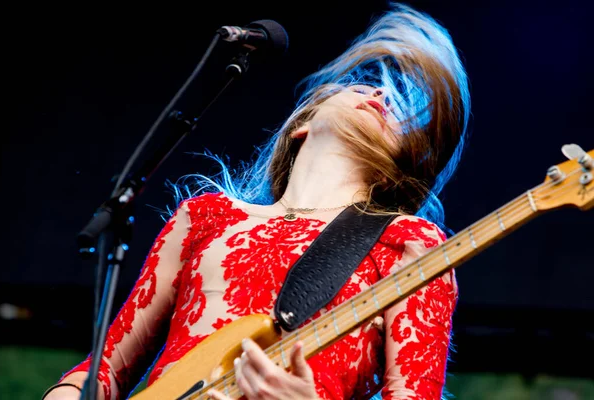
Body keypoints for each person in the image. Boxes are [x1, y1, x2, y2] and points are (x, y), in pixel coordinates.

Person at [42, 2, 470, 399]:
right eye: (363, 87)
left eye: (398, 113)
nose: (379, 98)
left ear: (393, 167)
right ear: (303, 124)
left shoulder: (408, 242)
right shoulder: (205, 216)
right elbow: (107, 368)